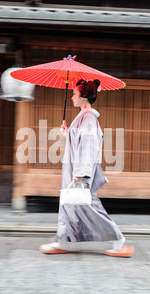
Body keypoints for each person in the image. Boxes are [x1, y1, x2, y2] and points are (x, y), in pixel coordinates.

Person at [39, 79, 134, 257]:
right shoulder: (83, 117)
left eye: (75, 94)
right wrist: (68, 133)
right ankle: (63, 242)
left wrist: (81, 173)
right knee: (70, 204)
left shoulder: (88, 118)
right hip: (74, 170)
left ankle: (118, 242)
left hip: (79, 172)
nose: (72, 97)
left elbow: (88, 146)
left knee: (88, 206)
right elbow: (79, 141)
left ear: (83, 97)